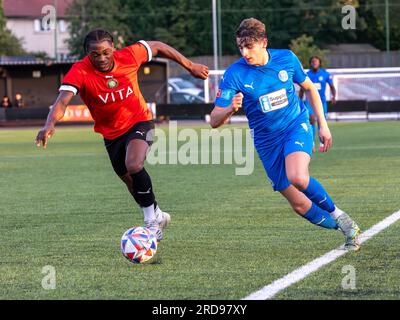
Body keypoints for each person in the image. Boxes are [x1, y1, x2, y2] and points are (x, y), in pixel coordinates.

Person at [35, 29, 209, 241]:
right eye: (95, 54)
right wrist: (49, 124)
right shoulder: (79, 71)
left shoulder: (129, 55)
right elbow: (62, 101)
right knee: (130, 182)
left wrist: (190, 66)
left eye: (106, 52)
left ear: (114, 49)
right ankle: (157, 214)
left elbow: (159, 46)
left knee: (134, 165)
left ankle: (152, 224)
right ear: (86, 53)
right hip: (111, 134)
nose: (102, 58)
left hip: (140, 121)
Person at [210, 18, 360, 250]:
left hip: (294, 125)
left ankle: (339, 214)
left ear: (264, 43)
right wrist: (230, 108)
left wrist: (323, 124)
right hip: (266, 141)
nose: (245, 52)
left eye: (249, 46)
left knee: (298, 176)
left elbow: (309, 88)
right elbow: (214, 120)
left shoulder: (286, 59)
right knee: (300, 206)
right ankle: (346, 229)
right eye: (240, 47)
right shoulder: (235, 74)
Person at [299, 56, 336, 152]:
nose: (314, 63)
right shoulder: (306, 75)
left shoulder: (325, 74)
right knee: (311, 120)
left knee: (321, 121)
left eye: (316, 61)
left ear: (319, 63)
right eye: (312, 62)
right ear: (310, 63)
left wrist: (333, 96)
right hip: (309, 102)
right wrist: (299, 100)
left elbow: (332, 86)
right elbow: (302, 88)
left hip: (321, 102)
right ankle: (311, 143)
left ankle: (322, 143)